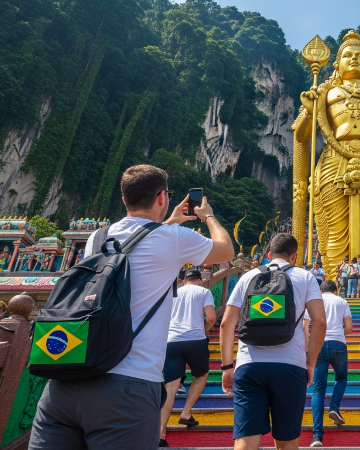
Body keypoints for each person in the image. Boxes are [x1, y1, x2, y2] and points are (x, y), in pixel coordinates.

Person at [29, 164, 235, 449]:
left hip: (66, 382)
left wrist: (170, 221)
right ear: (162, 197)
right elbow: (226, 250)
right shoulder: (173, 240)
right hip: (128, 386)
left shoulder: (97, 238)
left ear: (124, 198)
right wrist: (207, 215)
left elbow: (140, 246)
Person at [219, 234, 327, 450]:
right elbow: (320, 322)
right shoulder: (305, 278)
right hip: (290, 366)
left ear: (269, 255)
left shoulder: (248, 277)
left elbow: (225, 324)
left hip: (249, 365)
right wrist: (310, 363)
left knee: (245, 439)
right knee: (287, 441)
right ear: (294, 256)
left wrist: (227, 366)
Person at [158, 268, 216, 446]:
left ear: (184, 280)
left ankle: (160, 434)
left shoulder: (173, 293)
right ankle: (186, 412)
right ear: (199, 280)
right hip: (195, 340)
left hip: (172, 341)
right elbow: (212, 318)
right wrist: (202, 330)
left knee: (171, 386)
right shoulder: (204, 291)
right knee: (201, 375)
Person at [303, 280, 353, 447]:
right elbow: (349, 326)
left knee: (318, 390)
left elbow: (305, 326)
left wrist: (307, 344)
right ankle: (334, 407)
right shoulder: (342, 301)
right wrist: (339, 334)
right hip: (338, 344)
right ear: (335, 290)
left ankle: (317, 436)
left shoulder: (314, 301)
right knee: (341, 378)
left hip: (319, 345)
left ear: (321, 290)